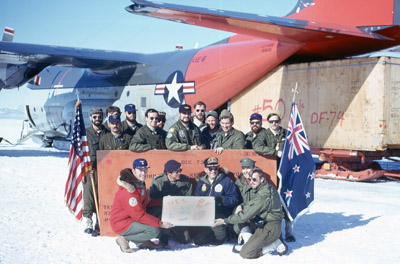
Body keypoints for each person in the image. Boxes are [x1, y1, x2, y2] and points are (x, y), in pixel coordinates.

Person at [213, 168, 288, 259]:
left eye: (254, 179)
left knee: (245, 253)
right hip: (264, 223)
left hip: (271, 228)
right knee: (242, 215)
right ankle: (249, 243)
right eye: (250, 179)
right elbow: (251, 206)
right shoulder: (267, 187)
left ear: (262, 179)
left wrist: (224, 221)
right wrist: (242, 206)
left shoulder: (262, 196)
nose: (251, 182)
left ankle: (274, 244)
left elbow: (245, 215)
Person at [110, 159, 174, 253]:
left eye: (145, 170)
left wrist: (167, 202)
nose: (143, 173)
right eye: (140, 170)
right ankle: (124, 238)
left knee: (160, 210)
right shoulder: (129, 191)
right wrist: (160, 223)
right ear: (133, 171)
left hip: (134, 217)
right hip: (123, 222)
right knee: (154, 230)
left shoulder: (139, 183)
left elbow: (147, 201)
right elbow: (139, 215)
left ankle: (143, 242)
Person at [252, 110, 295, 242]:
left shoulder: (286, 133)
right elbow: (257, 146)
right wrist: (275, 152)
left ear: (280, 121)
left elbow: (295, 147)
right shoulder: (264, 134)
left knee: (287, 199)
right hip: (270, 171)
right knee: (272, 199)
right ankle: (275, 229)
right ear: (268, 122)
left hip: (286, 171)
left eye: (276, 121)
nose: (274, 123)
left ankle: (289, 229)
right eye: (271, 121)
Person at [193, 157, 239, 245]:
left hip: (220, 212)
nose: (213, 171)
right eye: (210, 169)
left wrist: (221, 200)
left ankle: (225, 232)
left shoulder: (226, 181)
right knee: (199, 241)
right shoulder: (201, 182)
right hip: (205, 214)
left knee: (218, 240)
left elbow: (234, 199)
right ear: (206, 170)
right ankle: (211, 232)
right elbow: (196, 198)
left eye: (216, 168)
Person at [147, 160, 193, 245]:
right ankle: (163, 233)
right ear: (169, 173)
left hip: (178, 213)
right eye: (177, 172)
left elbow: (189, 199)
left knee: (185, 239)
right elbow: (151, 199)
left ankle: (170, 231)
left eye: (180, 170)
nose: (179, 173)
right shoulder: (158, 181)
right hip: (161, 212)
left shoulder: (185, 181)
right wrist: (164, 200)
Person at [82, 107, 109, 236]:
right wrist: (84, 171)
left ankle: (100, 219)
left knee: (102, 195)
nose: (97, 119)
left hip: (104, 169)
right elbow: (80, 154)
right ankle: (88, 220)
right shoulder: (85, 133)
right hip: (89, 169)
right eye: (95, 117)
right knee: (89, 195)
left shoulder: (107, 132)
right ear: (90, 117)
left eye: (99, 116)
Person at [232, 158, 257, 235]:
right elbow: (236, 198)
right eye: (243, 168)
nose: (245, 171)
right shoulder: (239, 182)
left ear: (254, 168)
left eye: (248, 168)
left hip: (256, 211)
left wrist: (242, 206)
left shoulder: (259, 180)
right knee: (236, 229)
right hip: (243, 211)